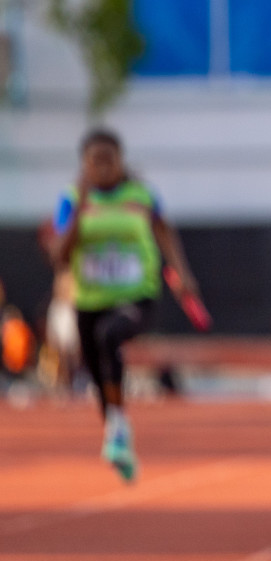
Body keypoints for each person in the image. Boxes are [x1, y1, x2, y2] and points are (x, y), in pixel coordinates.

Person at [49, 127, 201, 482]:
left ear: (120, 160)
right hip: (89, 298)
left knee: (110, 335)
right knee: (98, 370)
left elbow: (164, 231)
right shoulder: (71, 199)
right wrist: (80, 211)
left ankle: (117, 427)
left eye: (109, 159)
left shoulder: (141, 194)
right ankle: (118, 435)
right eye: (95, 161)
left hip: (136, 293)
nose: (102, 167)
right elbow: (58, 256)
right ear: (84, 164)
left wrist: (182, 274)